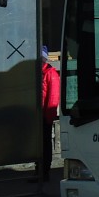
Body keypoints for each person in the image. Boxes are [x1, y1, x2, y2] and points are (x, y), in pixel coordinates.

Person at [38, 46, 61, 181]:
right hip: (37, 114)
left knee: (45, 143)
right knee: (38, 144)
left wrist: (48, 117)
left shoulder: (50, 73)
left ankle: (44, 171)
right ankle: (39, 170)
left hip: (44, 115)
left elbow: (52, 98)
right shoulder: (39, 72)